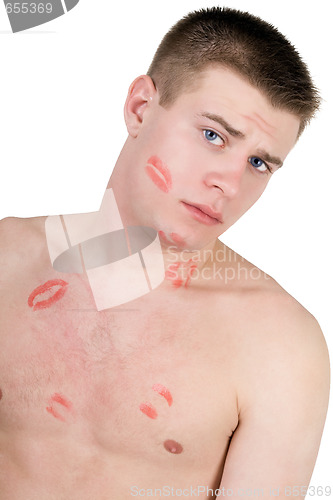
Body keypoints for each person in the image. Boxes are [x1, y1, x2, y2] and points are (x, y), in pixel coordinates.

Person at [0, 6, 329, 499]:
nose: (230, 182)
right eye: (214, 135)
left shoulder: (280, 345)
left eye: (259, 163)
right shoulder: (7, 259)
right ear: (139, 108)